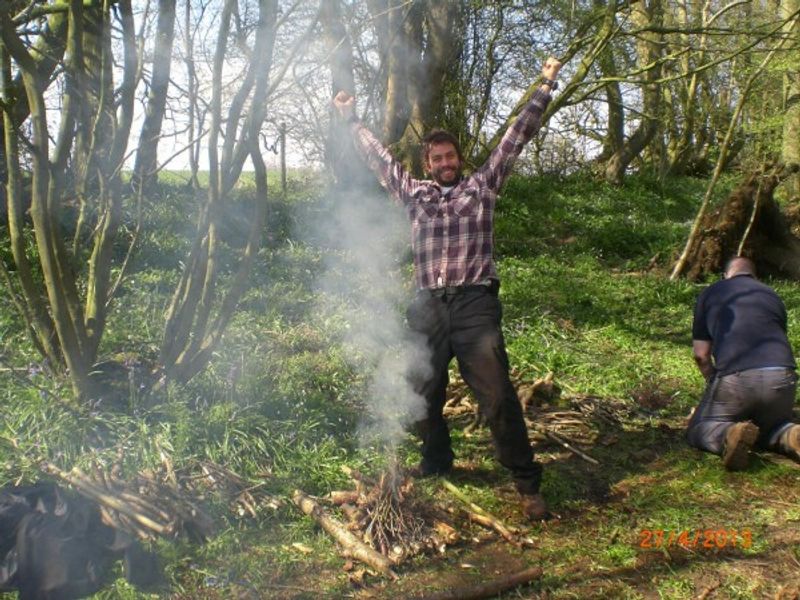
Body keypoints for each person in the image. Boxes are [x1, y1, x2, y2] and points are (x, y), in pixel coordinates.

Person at [332, 57, 563, 520]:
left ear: (460, 159)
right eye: (436, 159)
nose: (445, 163)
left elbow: (518, 135)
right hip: (427, 307)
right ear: (427, 164)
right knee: (420, 390)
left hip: (475, 302)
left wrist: (546, 84)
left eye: (450, 156)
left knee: (497, 394)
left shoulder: (482, 187)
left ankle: (525, 482)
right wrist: (351, 120)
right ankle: (437, 460)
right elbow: (378, 158)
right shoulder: (412, 194)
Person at [688, 256, 800, 470]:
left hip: (737, 379)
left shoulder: (710, 293)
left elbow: (701, 355)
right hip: (782, 376)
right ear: (754, 276)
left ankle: (728, 435)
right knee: (770, 427)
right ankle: (791, 434)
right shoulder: (772, 295)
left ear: (725, 275)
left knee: (699, 427)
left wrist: (713, 381)